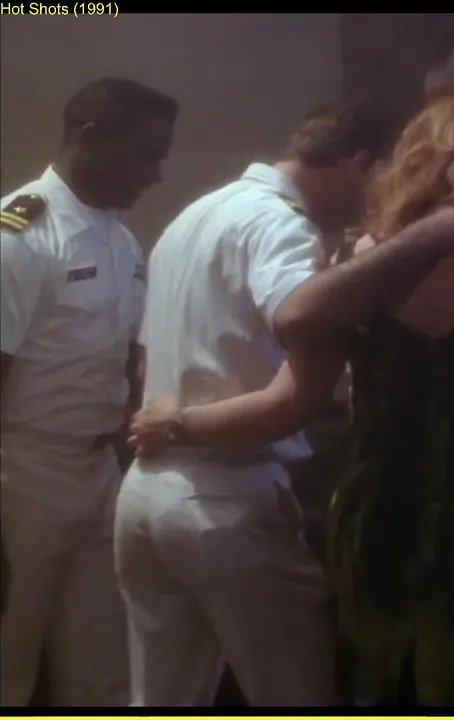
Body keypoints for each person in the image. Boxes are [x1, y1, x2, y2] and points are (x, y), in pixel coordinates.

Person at [129, 93, 454, 705]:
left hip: (375, 516)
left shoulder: (362, 264)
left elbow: (296, 390)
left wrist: (180, 424)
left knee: (374, 682)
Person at [0, 77, 178, 707]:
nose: (155, 174)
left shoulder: (119, 239)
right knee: (10, 659)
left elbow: (124, 361)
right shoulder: (20, 233)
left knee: (102, 664)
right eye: (145, 155)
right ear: (92, 138)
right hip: (24, 474)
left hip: (100, 470)